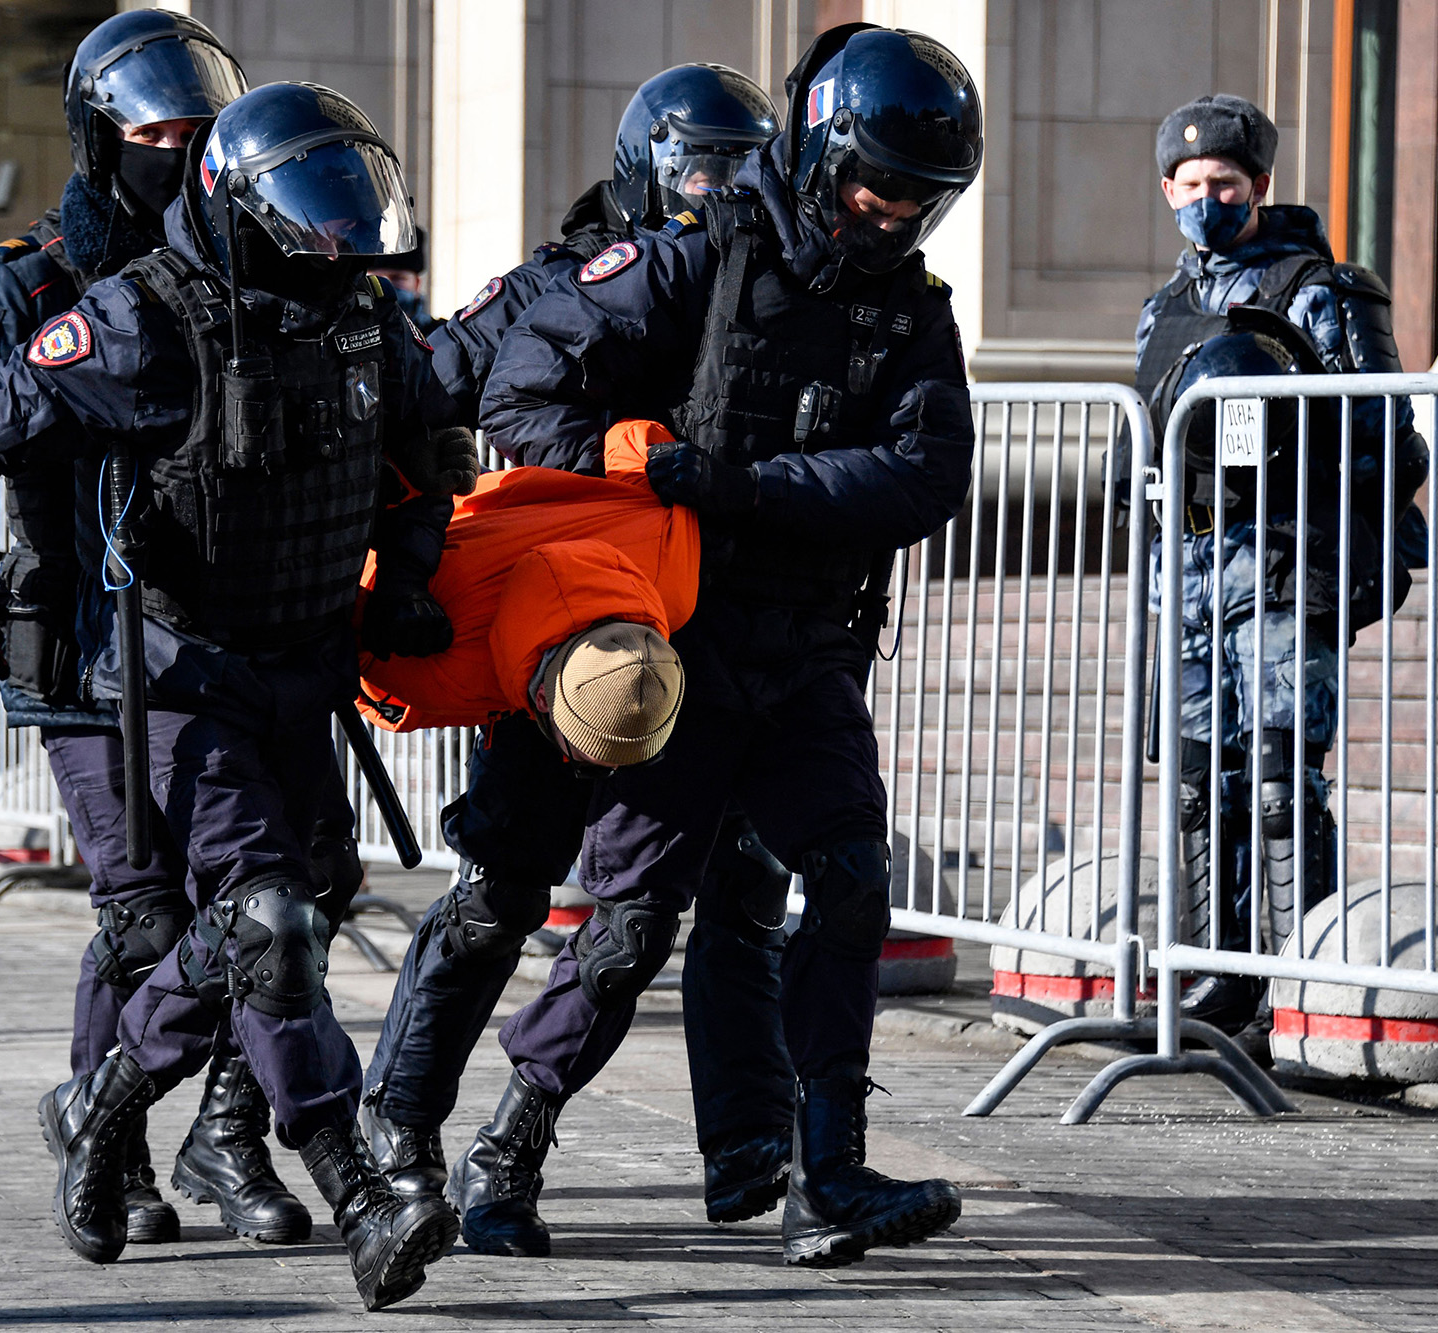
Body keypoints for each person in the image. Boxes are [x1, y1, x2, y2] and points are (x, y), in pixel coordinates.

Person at [0, 82, 468, 1311]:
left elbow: (429, 452)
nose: (333, 252)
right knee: (250, 923)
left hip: (300, 667)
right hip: (167, 673)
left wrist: (406, 577)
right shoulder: (135, 321)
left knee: (289, 907)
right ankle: (357, 1189)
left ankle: (110, 1109)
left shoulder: (356, 313)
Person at [457, 23, 979, 1268]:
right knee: (632, 925)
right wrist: (633, 459)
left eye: (921, 198)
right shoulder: (693, 261)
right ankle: (505, 1150)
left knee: (848, 878)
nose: (894, 214)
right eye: (875, 186)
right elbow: (520, 397)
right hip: (676, 648)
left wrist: (741, 484)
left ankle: (826, 1173)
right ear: (818, 149)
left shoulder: (909, 315)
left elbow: (924, 473)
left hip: (803, 654)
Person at [0, 9, 294, 1251]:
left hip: (235, 636)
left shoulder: (254, 259)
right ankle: (102, 1137)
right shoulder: (30, 279)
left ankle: (229, 1130)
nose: (183, 152)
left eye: (201, 132)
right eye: (157, 133)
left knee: (277, 896)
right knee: (147, 912)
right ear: (103, 137)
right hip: (76, 638)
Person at [360, 62, 802, 1233]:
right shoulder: (561, 283)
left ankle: (517, 1152)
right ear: (647, 162)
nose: (718, 190)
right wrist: (389, 554)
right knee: (500, 888)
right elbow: (433, 394)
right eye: (699, 165)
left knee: (642, 920)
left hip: (701, 642)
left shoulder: (768, 287)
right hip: (563, 633)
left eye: (741, 168)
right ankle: (396, 1122)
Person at [1139, 94, 1429, 1033]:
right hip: (1185, 579)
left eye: (1225, 182)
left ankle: (1300, 983)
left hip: (1277, 569)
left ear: (1260, 186)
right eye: (1190, 184)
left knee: (1275, 779)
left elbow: (1387, 435)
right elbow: (1147, 440)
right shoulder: (1166, 309)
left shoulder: (1322, 289)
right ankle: (1213, 980)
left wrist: (1334, 544)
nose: (1207, 198)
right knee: (1195, 782)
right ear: (1167, 191)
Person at [355, 418, 697, 741]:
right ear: (545, 700)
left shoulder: (671, 584)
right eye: (586, 761)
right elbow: (353, 644)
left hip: (450, 487)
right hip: (391, 521)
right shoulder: (453, 677)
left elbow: (636, 438)